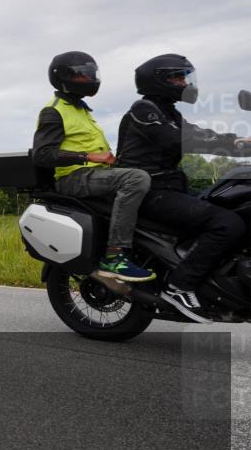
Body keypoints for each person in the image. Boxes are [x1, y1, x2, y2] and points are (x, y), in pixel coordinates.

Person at [116, 53, 250, 323]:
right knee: (227, 223)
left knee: (232, 203)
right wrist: (233, 144)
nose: (185, 83)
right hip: (149, 191)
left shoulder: (170, 112)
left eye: (185, 77)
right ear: (158, 81)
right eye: (178, 77)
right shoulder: (143, 110)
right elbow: (176, 139)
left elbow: (198, 132)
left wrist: (237, 142)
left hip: (170, 188)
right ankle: (179, 286)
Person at [33, 51, 154, 282]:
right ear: (64, 77)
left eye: (90, 74)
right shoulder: (54, 110)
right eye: (82, 75)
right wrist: (88, 156)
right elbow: (43, 154)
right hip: (72, 178)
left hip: (96, 175)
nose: (88, 79)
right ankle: (115, 255)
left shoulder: (81, 109)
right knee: (135, 179)